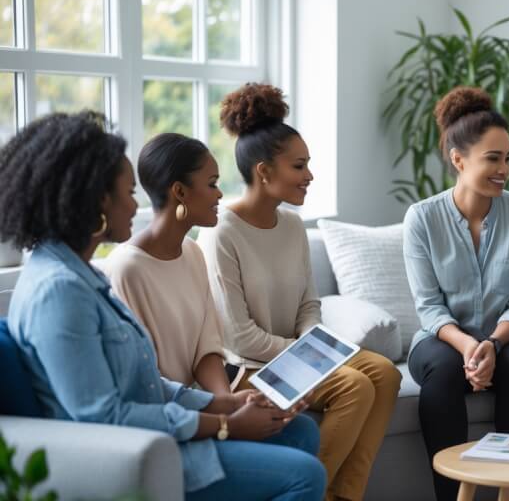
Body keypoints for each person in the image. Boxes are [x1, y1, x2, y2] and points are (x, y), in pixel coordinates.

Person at [0, 112, 326, 500]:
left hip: (163, 430)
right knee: (304, 476)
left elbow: (145, 384)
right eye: (129, 192)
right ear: (97, 200)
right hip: (133, 454)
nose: (135, 205)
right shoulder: (59, 292)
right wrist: (224, 423)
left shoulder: (79, 276)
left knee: (300, 428)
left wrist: (225, 401)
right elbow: (107, 416)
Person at [196, 83, 400, 501]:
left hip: (296, 353)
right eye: (299, 166)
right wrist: (306, 355)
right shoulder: (221, 233)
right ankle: (313, 492)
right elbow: (238, 336)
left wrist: (313, 347)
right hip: (247, 367)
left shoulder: (292, 226)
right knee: (353, 385)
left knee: (385, 372)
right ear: (264, 171)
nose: (309, 176)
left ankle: (346, 494)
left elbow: (310, 304)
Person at [404, 86, 509, 501]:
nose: (504, 168)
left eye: (508, 158)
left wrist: (490, 343)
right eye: (493, 158)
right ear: (458, 159)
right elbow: (429, 307)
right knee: (444, 371)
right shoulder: (422, 218)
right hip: (443, 341)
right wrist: (469, 345)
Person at [105, 133, 230, 395]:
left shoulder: (193, 252)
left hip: (201, 403)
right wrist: (220, 414)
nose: (219, 194)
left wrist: (228, 402)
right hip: (168, 413)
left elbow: (206, 351)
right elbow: (143, 377)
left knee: (297, 426)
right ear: (180, 191)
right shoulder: (127, 268)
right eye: (212, 184)